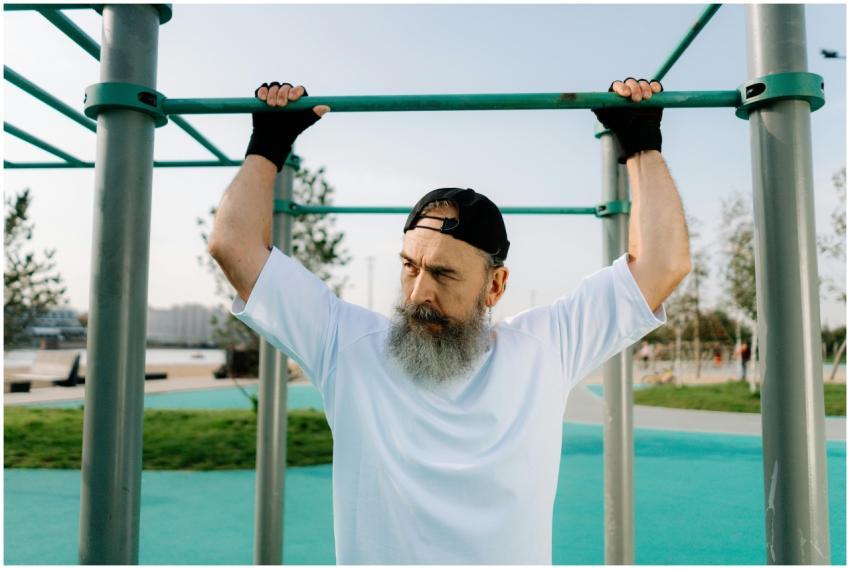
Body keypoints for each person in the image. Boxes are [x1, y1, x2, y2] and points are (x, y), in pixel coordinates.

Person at [208, 77, 691, 564]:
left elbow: (662, 264)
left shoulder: (545, 348)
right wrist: (267, 145)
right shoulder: (346, 346)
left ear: (495, 286)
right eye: (409, 266)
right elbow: (234, 246)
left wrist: (641, 143)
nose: (419, 292)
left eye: (443, 273)